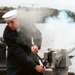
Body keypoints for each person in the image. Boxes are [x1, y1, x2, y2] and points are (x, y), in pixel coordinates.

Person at [2, 9, 45, 75]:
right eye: (8, 23)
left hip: (30, 54)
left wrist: (36, 45)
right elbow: (19, 53)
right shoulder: (7, 34)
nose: (10, 25)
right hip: (15, 61)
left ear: (18, 19)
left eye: (12, 22)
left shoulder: (27, 24)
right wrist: (35, 66)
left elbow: (37, 34)